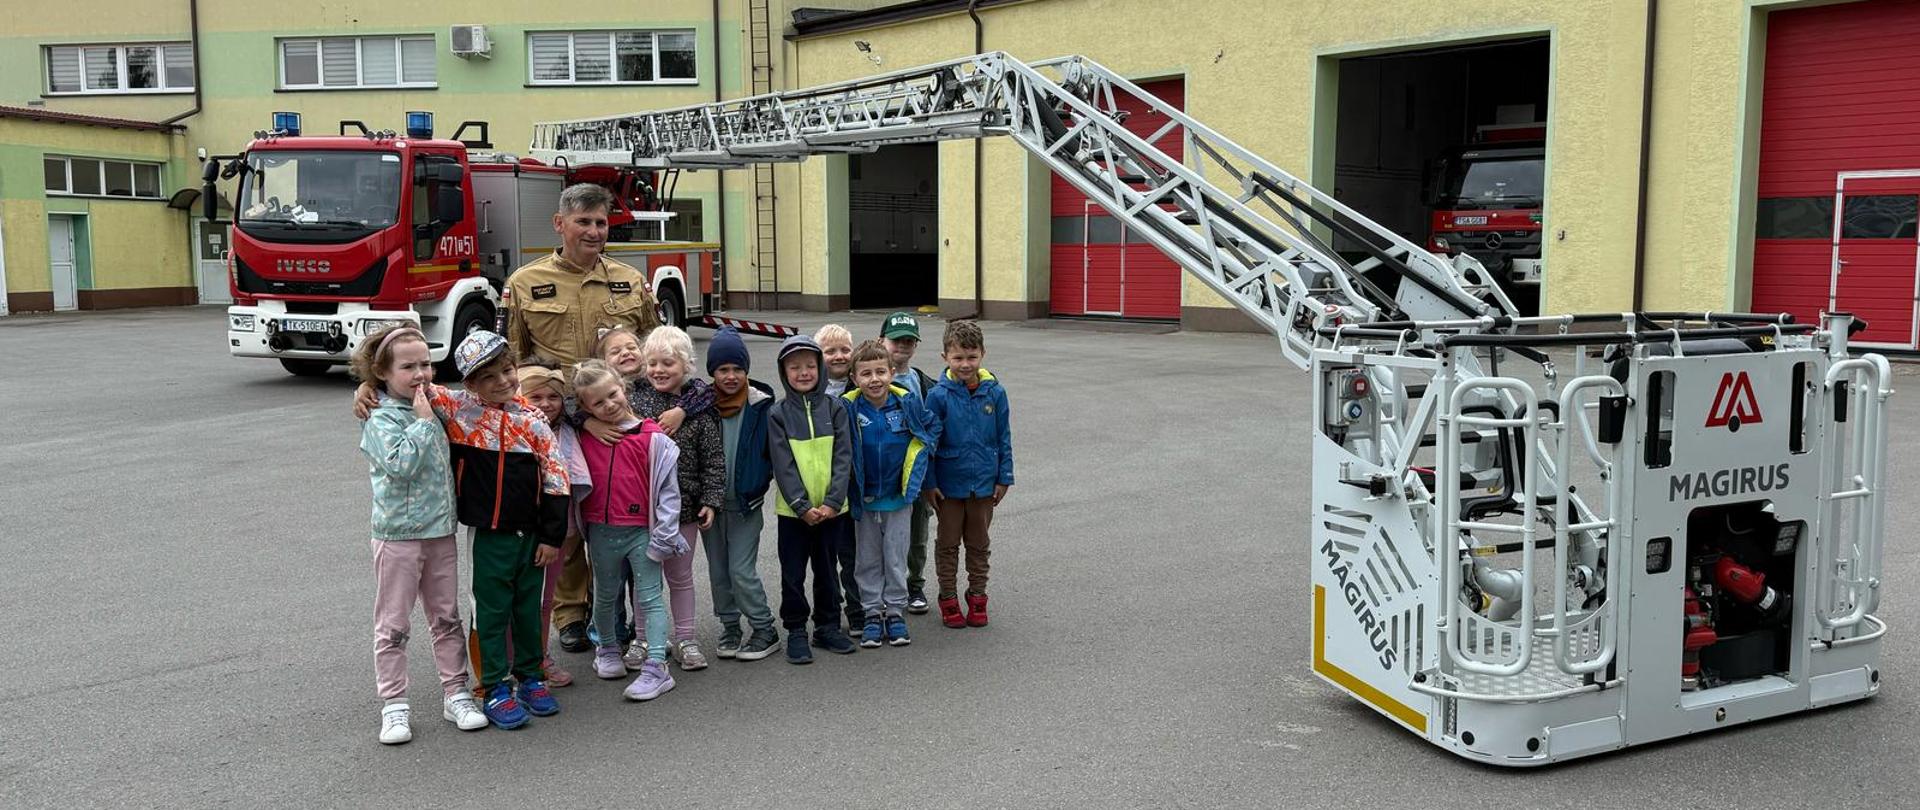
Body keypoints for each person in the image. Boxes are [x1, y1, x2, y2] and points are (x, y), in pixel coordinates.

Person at [502, 182, 662, 655]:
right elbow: (512, 362)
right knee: (568, 527)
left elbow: (654, 350)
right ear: (560, 224)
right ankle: (571, 613)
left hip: (622, 425)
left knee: (625, 523)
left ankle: (619, 614)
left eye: (601, 223)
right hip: (560, 429)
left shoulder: (630, 281)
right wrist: (575, 416)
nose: (594, 232)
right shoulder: (525, 283)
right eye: (584, 222)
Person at [419, 331, 571, 728]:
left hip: (533, 537)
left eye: (507, 370)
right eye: (489, 377)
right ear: (469, 383)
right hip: (488, 535)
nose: (503, 381)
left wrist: (552, 537)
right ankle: (493, 685)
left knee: (527, 609)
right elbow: (412, 382)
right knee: (488, 613)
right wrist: (367, 386)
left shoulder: (534, 422)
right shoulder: (458, 408)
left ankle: (531, 678)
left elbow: (557, 480)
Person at [351, 325, 488, 744]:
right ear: (382, 372)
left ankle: (456, 693)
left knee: (446, 618)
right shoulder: (380, 417)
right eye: (408, 367)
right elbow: (400, 465)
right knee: (393, 624)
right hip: (398, 536)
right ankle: (394, 706)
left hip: (440, 532)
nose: (421, 374)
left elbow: (482, 404)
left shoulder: (436, 402)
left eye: (426, 363)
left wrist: (431, 412)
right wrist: (425, 424)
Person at [588, 326, 724, 671]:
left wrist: (711, 498)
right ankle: (645, 638)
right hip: (645, 510)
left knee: (680, 577)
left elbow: (713, 459)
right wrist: (588, 423)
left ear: (686, 365)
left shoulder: (700, 406)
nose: (659, 370)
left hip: (686, 511)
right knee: (645, 580)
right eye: (652, 363)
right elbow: (589, 402)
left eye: (668, 363)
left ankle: (687, 638)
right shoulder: (635, 398)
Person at [572, 360, 685, 701]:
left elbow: (668, 492)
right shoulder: (582, 434)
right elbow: (553, 408)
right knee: (605, 595)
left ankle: (656, 667)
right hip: (601, 531)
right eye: (597, 403)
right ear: (585, 408)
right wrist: (587, 423)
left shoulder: (654, 439)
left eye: (613, 394)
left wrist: (664, 535)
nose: (609, 405)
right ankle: (606, 649)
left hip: (642, 532)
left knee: (649, 598)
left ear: (624, 387)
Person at [768, 335, 858, 663]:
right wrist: (802, 507)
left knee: (827, 570)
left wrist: (834, 502)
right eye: (795, 367)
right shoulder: (777, 414)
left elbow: (843, 457)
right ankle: (795, 630)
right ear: (784, 372)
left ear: (819, 368)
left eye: (809, 366)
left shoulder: (835, 409)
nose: (804, 372)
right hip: (794, 514)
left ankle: (828, 626)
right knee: (793, 572)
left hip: (834, 510)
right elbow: (783, 465)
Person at [842, 340, 935, 648]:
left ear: (892, 373)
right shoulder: (848, 408)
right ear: (854, 378)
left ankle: (894, 612)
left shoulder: (906, 404)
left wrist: (919, 466)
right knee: (867, 559)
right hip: (864, 501)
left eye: (881, 371)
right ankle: (871, 614)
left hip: (898, 498)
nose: (874, 379)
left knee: (895, 557)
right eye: (866, 374)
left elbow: (930, 430)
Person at [925, 320, 1014, 629]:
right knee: (948, 544)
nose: (965, 364)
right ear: (945, 358)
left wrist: (1004, 476)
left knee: (979, 543)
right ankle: (948, 597)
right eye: (958, 358)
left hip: (984, 484)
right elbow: (928, 445)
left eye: (971, 357)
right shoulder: (938, 396)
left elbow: (1004, 437)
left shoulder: (996, 393)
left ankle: (978, 596)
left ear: (983, 355)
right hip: (949, 487)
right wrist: (929, 483)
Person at [703, 327, 781, 661]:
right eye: (723, 370)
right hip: (710, 507)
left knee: (741, 570)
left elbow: (773, 451)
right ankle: (731, 625)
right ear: (712, 373)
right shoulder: (701, 405)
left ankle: (764, 627)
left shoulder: (761, 405)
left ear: (747, 370)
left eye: (737, 369)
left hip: (746, 504)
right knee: (718, 571)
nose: (731, 376)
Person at [517, 360, 586, 688]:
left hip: (559, 530)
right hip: (518, 528)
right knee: (517, 597)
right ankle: (508, 661)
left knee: (545, 598)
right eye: (536, 396)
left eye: (553, 396)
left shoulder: (574, 426)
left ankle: (540, 657)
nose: (545, 404)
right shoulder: (509, 423)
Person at [880, 311, 939, 614]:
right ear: (882, 341)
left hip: (916, 475)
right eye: (896, 340)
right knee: (880, 536)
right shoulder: (873, 379)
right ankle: (884, 586)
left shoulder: (924, 383)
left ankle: (914, 584)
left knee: (917, 533)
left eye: (908, 341)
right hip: (883, 474)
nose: (902, 346)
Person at [812, 323, 861, 630]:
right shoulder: (811, 393)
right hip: (823, 488)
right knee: (825, 557)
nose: (839, 356)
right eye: (830, 351)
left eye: (845, 349)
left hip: (854, 486)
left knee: (853, 555)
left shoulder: (861, 389)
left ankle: (858, 610)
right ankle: (828, 611)